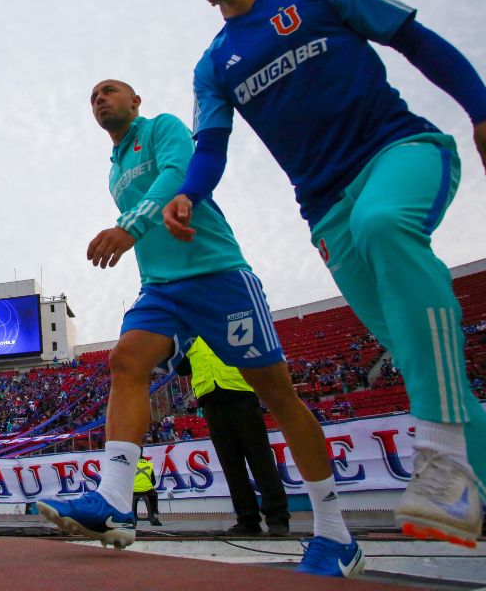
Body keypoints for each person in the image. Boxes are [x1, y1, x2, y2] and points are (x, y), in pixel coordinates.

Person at [167, 0, 486, 588]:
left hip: (400, 152)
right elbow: (211, 145)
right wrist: (188, 191)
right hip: (325, 212)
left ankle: (437, 449)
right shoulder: (214, 64)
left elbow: (417, 39)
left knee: (385, 225)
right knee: (429, 368)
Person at [38, 80, 361, 577]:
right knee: (125, 360)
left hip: (216, 274)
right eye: (92, 98)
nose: (99, 100)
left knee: (277, 395)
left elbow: (180, 173)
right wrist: (140, 250)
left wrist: (130, 227)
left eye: (109, 91)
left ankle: (336, 534)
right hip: (161, 287)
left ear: (135, 101)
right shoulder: (115, 170)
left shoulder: (162, 127)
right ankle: (115, 501)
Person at [183, 337, 289, 536]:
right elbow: (182, 368)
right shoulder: (190, 334)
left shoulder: (222, 320)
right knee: (231, 464)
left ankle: (278, 517)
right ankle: (247, 519)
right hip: (209, 397)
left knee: (260, 458)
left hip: (240, 391)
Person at [132, 449, 161, 527]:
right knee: (154, 495)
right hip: (147, 490)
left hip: (133, 491)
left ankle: (131, 520)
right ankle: (155, 518)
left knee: (128, 498)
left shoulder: (130, 464)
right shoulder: (149, 464)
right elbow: (153, 482)